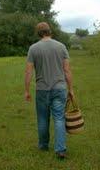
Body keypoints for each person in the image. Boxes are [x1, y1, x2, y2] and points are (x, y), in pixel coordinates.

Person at [24, 22, 74, 159]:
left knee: (42, 119)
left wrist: (27, 91)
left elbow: (28, 72)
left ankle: (43, 146)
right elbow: (67, 70)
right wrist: (71, 89)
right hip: (59, 88)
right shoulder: (61, 46)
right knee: (59, 118)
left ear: (38, 33)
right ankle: (60, 150)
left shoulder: (33, 48)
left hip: (42, 90)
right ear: (49, 31)